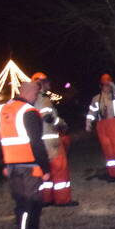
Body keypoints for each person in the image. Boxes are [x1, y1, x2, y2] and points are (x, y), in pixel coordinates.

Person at [0, 80, 51, 229]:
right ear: (28, 93)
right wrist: (45, 168)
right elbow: (36, 143)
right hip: (30, 167)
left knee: (20, 205)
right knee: (32, 205)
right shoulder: (29, 112)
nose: (35, 98)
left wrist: (3, 164)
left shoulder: (1, 111)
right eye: (35, 94)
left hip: (12, 167)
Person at [31, 72, 78, 206]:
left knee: (45, 170)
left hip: (38, 142)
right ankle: (62, 199)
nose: (49, 84)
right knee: (59, 169)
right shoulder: (44, 99)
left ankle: (46, 199)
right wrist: (62, 123)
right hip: (51, 141)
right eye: (47, 82)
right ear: (42, 83)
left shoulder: (31, 100)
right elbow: (48, 117)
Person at [86, 73, 115, 182]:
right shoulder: (96, 99)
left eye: (108, 85)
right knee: (109, 151)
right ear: (101, 86)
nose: (106, 87)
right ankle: (114, 174)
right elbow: (92, 112)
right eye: (104, 85)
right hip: (102, 126)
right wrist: (88, 123)